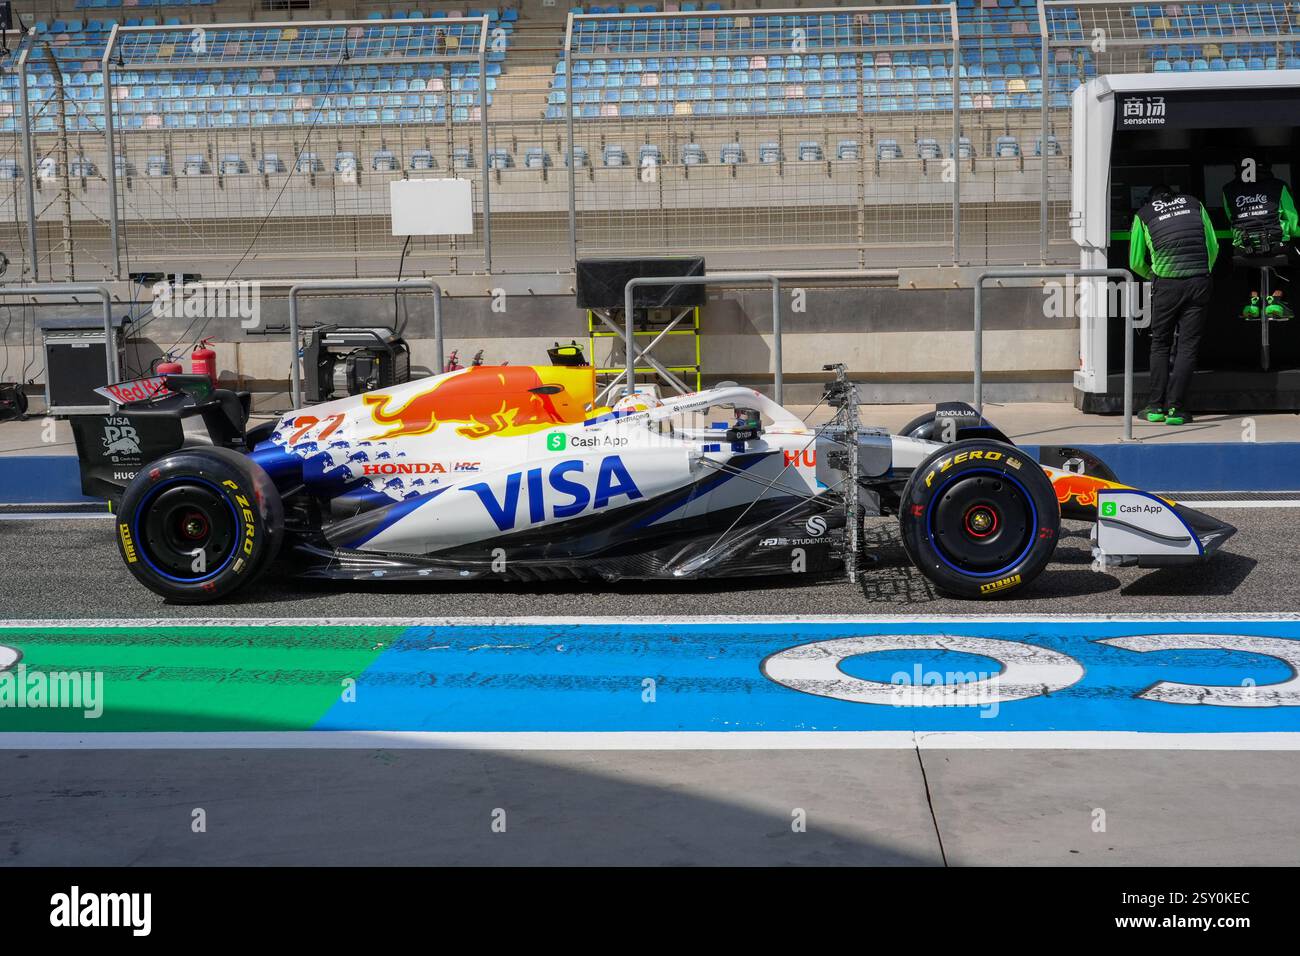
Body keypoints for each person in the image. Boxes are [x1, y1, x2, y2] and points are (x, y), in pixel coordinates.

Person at [1129, 185, 1219, 425]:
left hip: (1166, 285)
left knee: (1160, 344)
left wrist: (1154, 276)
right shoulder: (1194, 203)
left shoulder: (1144, 214)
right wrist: (1202, 272)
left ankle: (1155, 407)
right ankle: (1176, 410)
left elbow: (1135, 261)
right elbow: (1213, 247)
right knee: (1187, 347)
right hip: (1199, 281)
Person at [1223, 163, 1299, 320]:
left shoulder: (1228, 189)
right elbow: (1293, 221)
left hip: (1243, 249)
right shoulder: (1278, 186)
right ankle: (1277, 298)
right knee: (1294, 257)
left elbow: (1230, 217)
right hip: (1276, 246)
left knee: (1253, 262)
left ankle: (1253, 300)